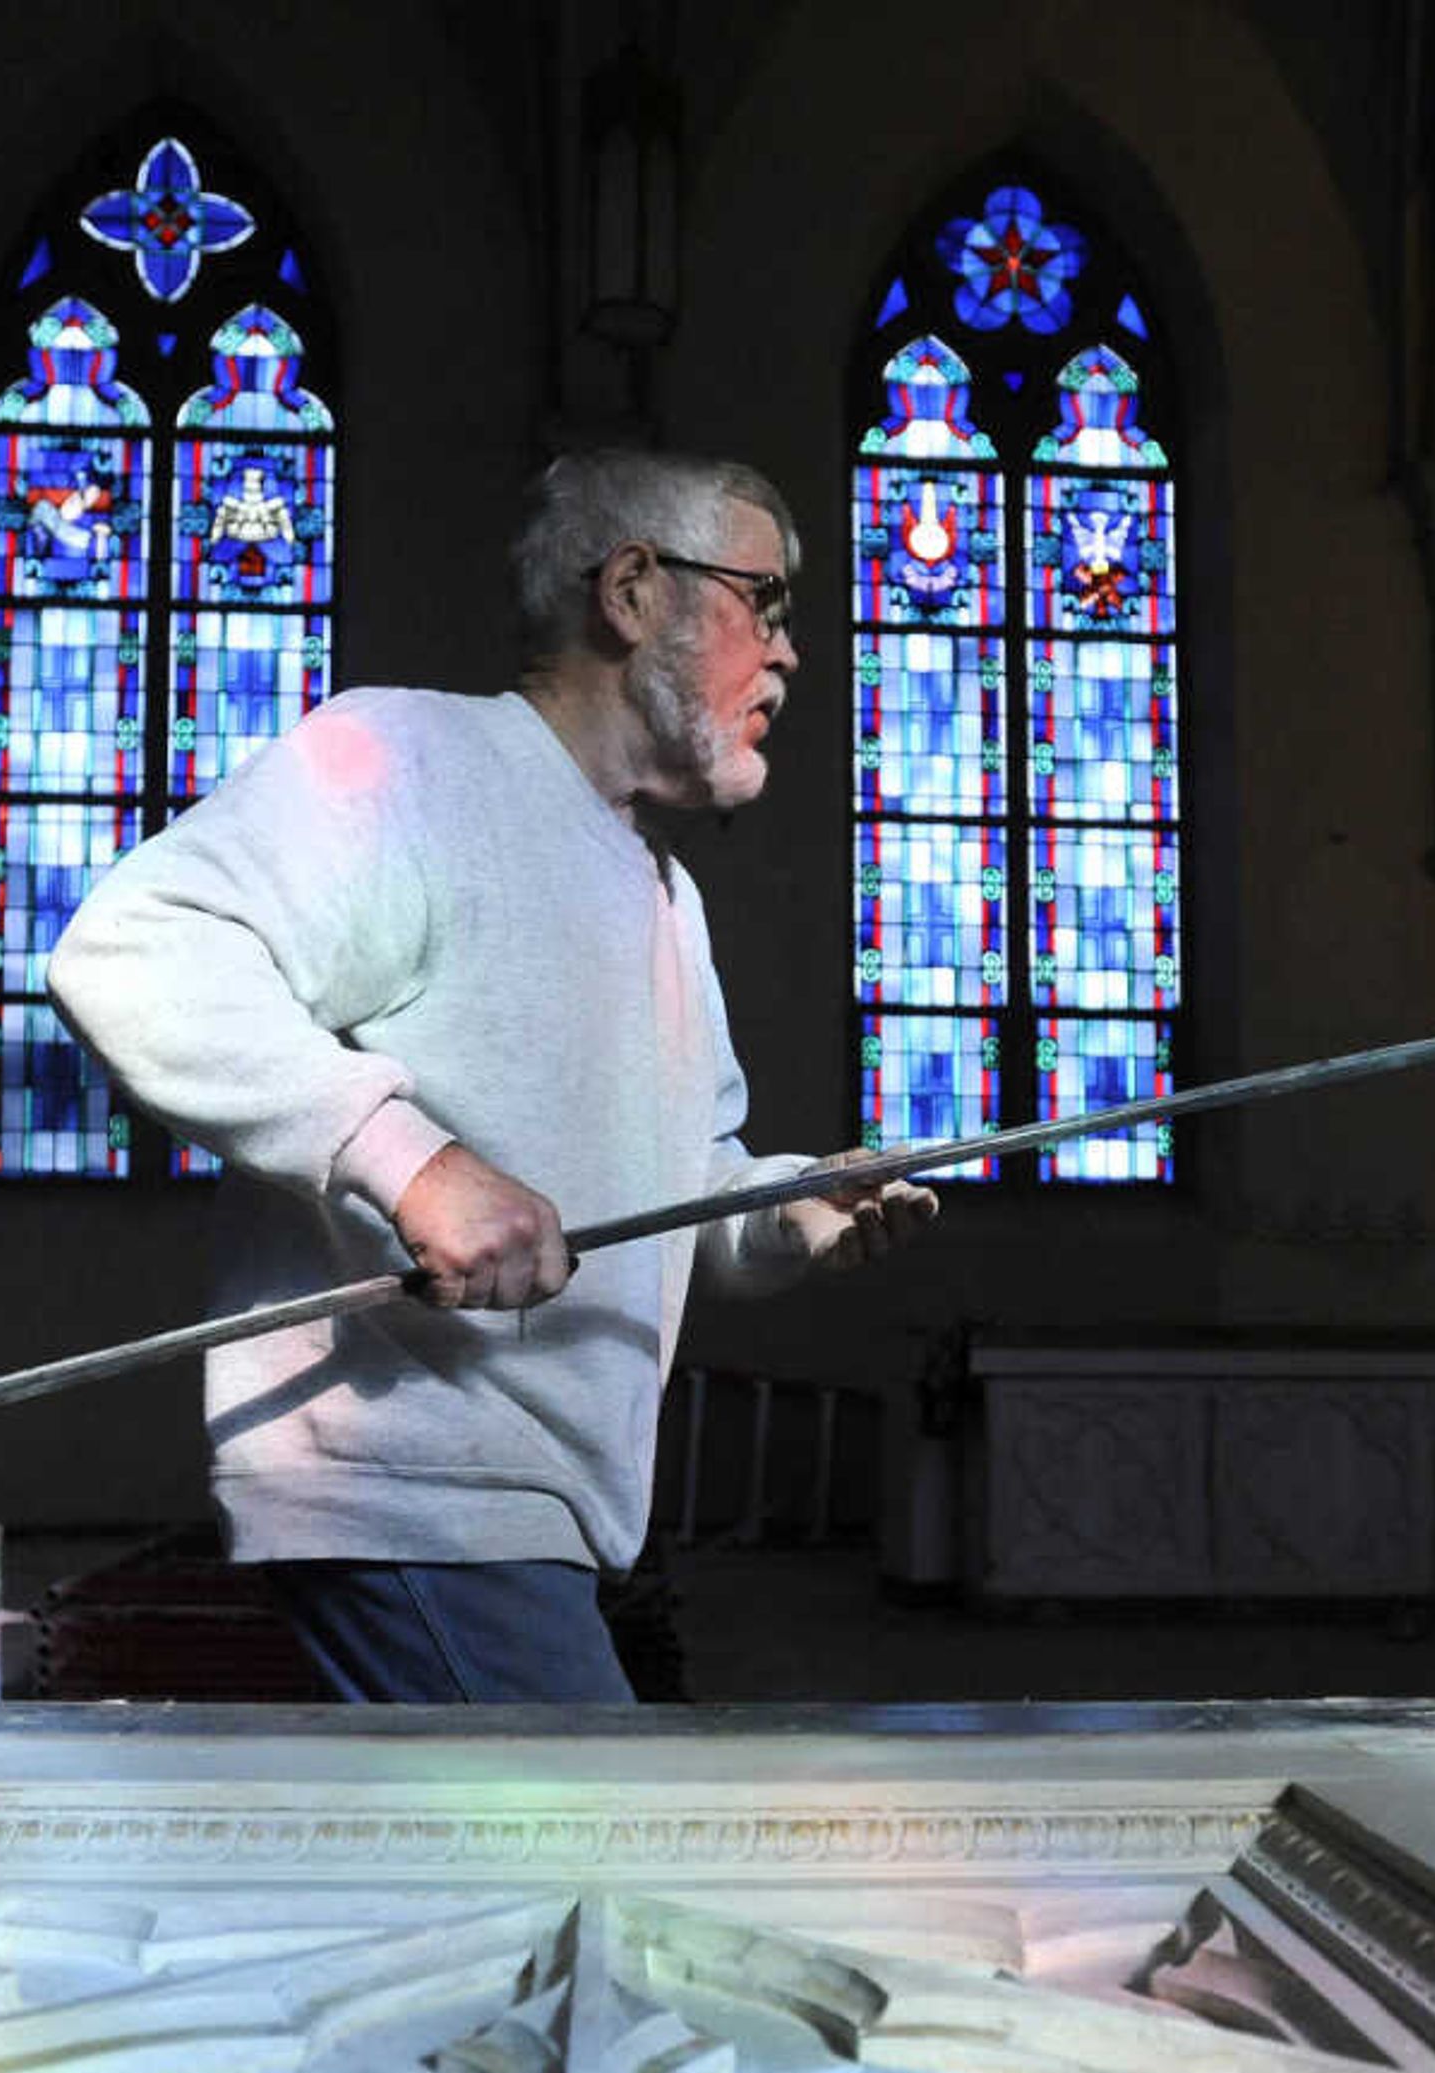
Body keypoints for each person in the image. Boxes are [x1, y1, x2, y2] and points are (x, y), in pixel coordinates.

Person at [48, 448, 937, 1703]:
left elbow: (686, 1189)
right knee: (602, 1869)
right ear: (632, 592)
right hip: (416, 1489)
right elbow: (138, 948)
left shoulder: (665, 894)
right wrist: (413, 1165)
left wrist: (785, 1209)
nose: (791, 654)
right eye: (767, 603)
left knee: (529, 1890)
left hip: (545, 1512)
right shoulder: (409, 759)